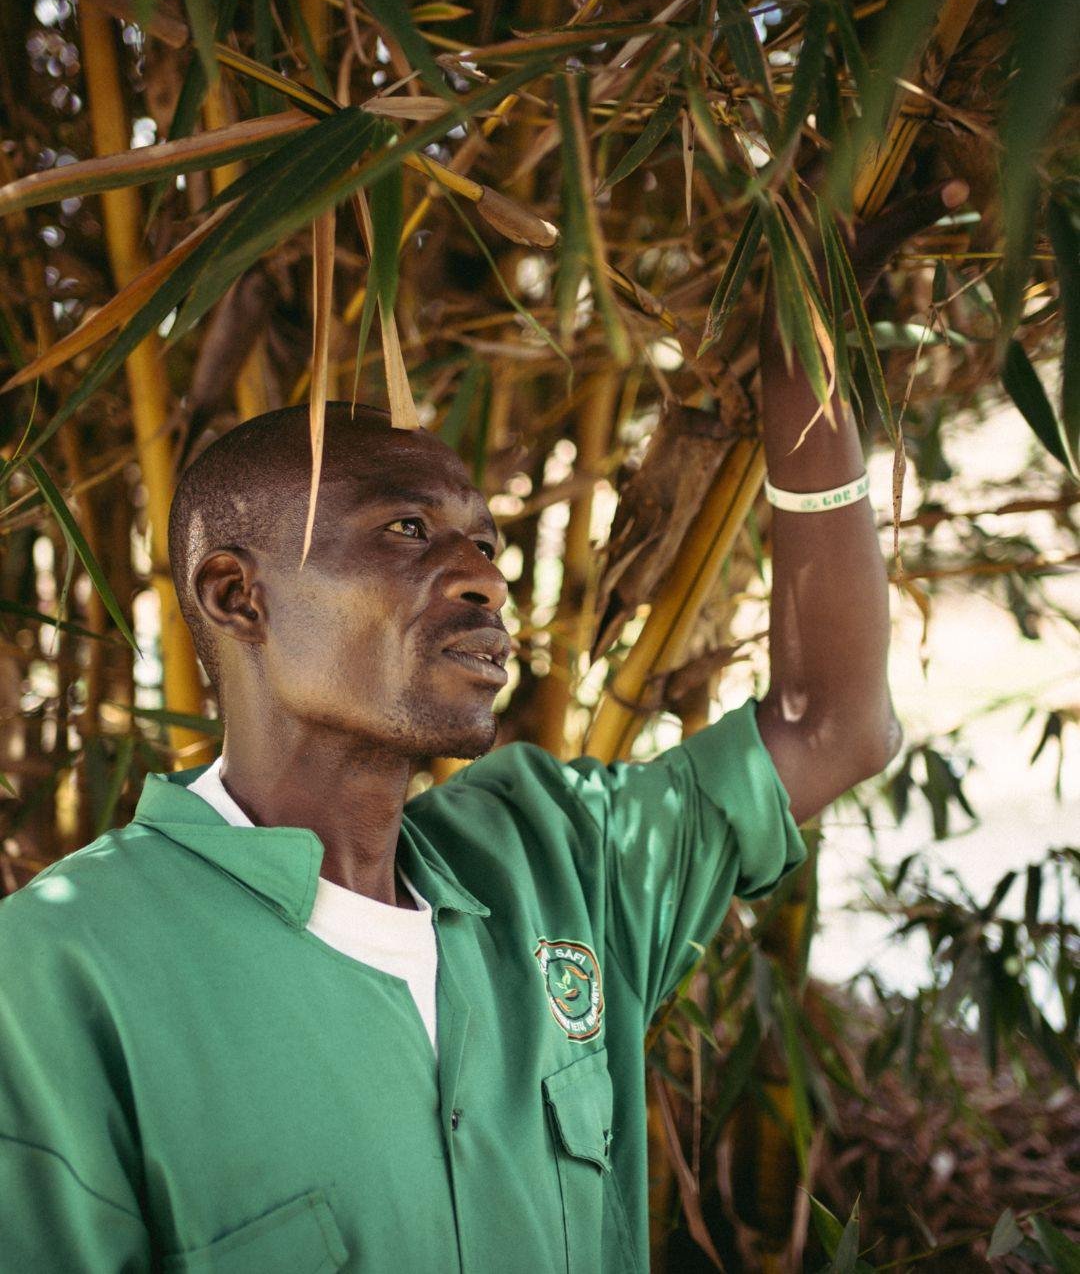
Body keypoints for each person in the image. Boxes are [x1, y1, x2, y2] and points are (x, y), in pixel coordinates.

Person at [0, 182, 966, 1272]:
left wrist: (808, 356)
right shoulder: (62, 974)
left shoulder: (551, 858)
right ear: (236, 596)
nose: (481, 580)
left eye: (490, 546)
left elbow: (832, 724)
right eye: (408, 531)